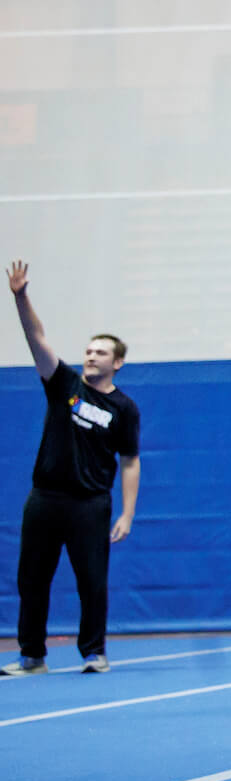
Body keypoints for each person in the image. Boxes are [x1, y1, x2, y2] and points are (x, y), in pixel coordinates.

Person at [3, 264, 138, 677]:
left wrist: (127, 513)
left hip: (89, 503)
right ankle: (32, 656)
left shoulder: (124, 409)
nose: (90, 356)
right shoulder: (64, 385)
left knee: (91, 582)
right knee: (32, 579)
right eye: (88, 350)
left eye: (100, 352)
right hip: (45, 498)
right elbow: (35, 338)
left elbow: (130, 462)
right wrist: (21, 296)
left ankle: (94, 652)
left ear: (116, 363)